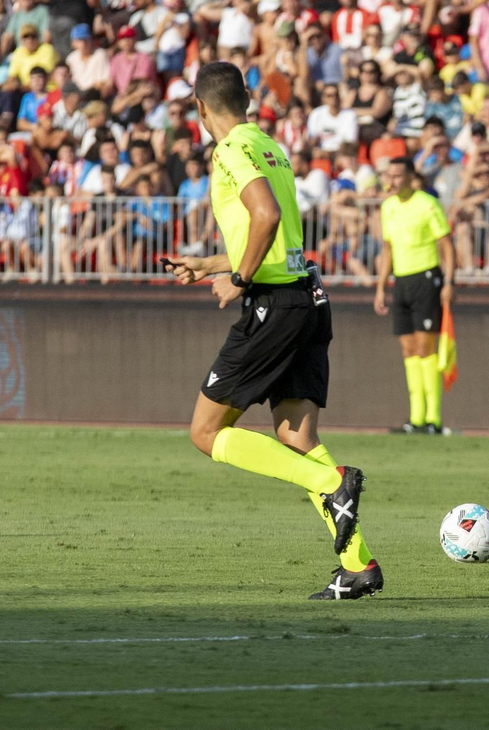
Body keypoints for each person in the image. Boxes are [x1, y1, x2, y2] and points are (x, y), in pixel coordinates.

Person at [164, 62, 377, 600]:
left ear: (200, 108)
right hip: (307, 297)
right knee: (296, 438)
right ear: (249, 98)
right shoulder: (269, 145)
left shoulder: (230, 149)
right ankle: (358, 567)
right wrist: (213, 264)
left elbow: (265, 214)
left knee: (205, 433)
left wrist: (238, 277)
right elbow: (274, 231)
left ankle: (333, 484)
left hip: (274, 304)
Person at [374, 157, 456, 434]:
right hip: (402, 281)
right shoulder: (387, 207)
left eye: (398, 176)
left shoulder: (427, 203)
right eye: (389, 176)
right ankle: (415, 418)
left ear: (410, 177)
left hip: (426, 277)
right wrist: (381, 287)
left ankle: (433, 418)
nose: (392, 181)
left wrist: (449, 281)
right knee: (408, 350)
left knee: (425, 348)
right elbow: (387, 249)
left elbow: (446, 244)